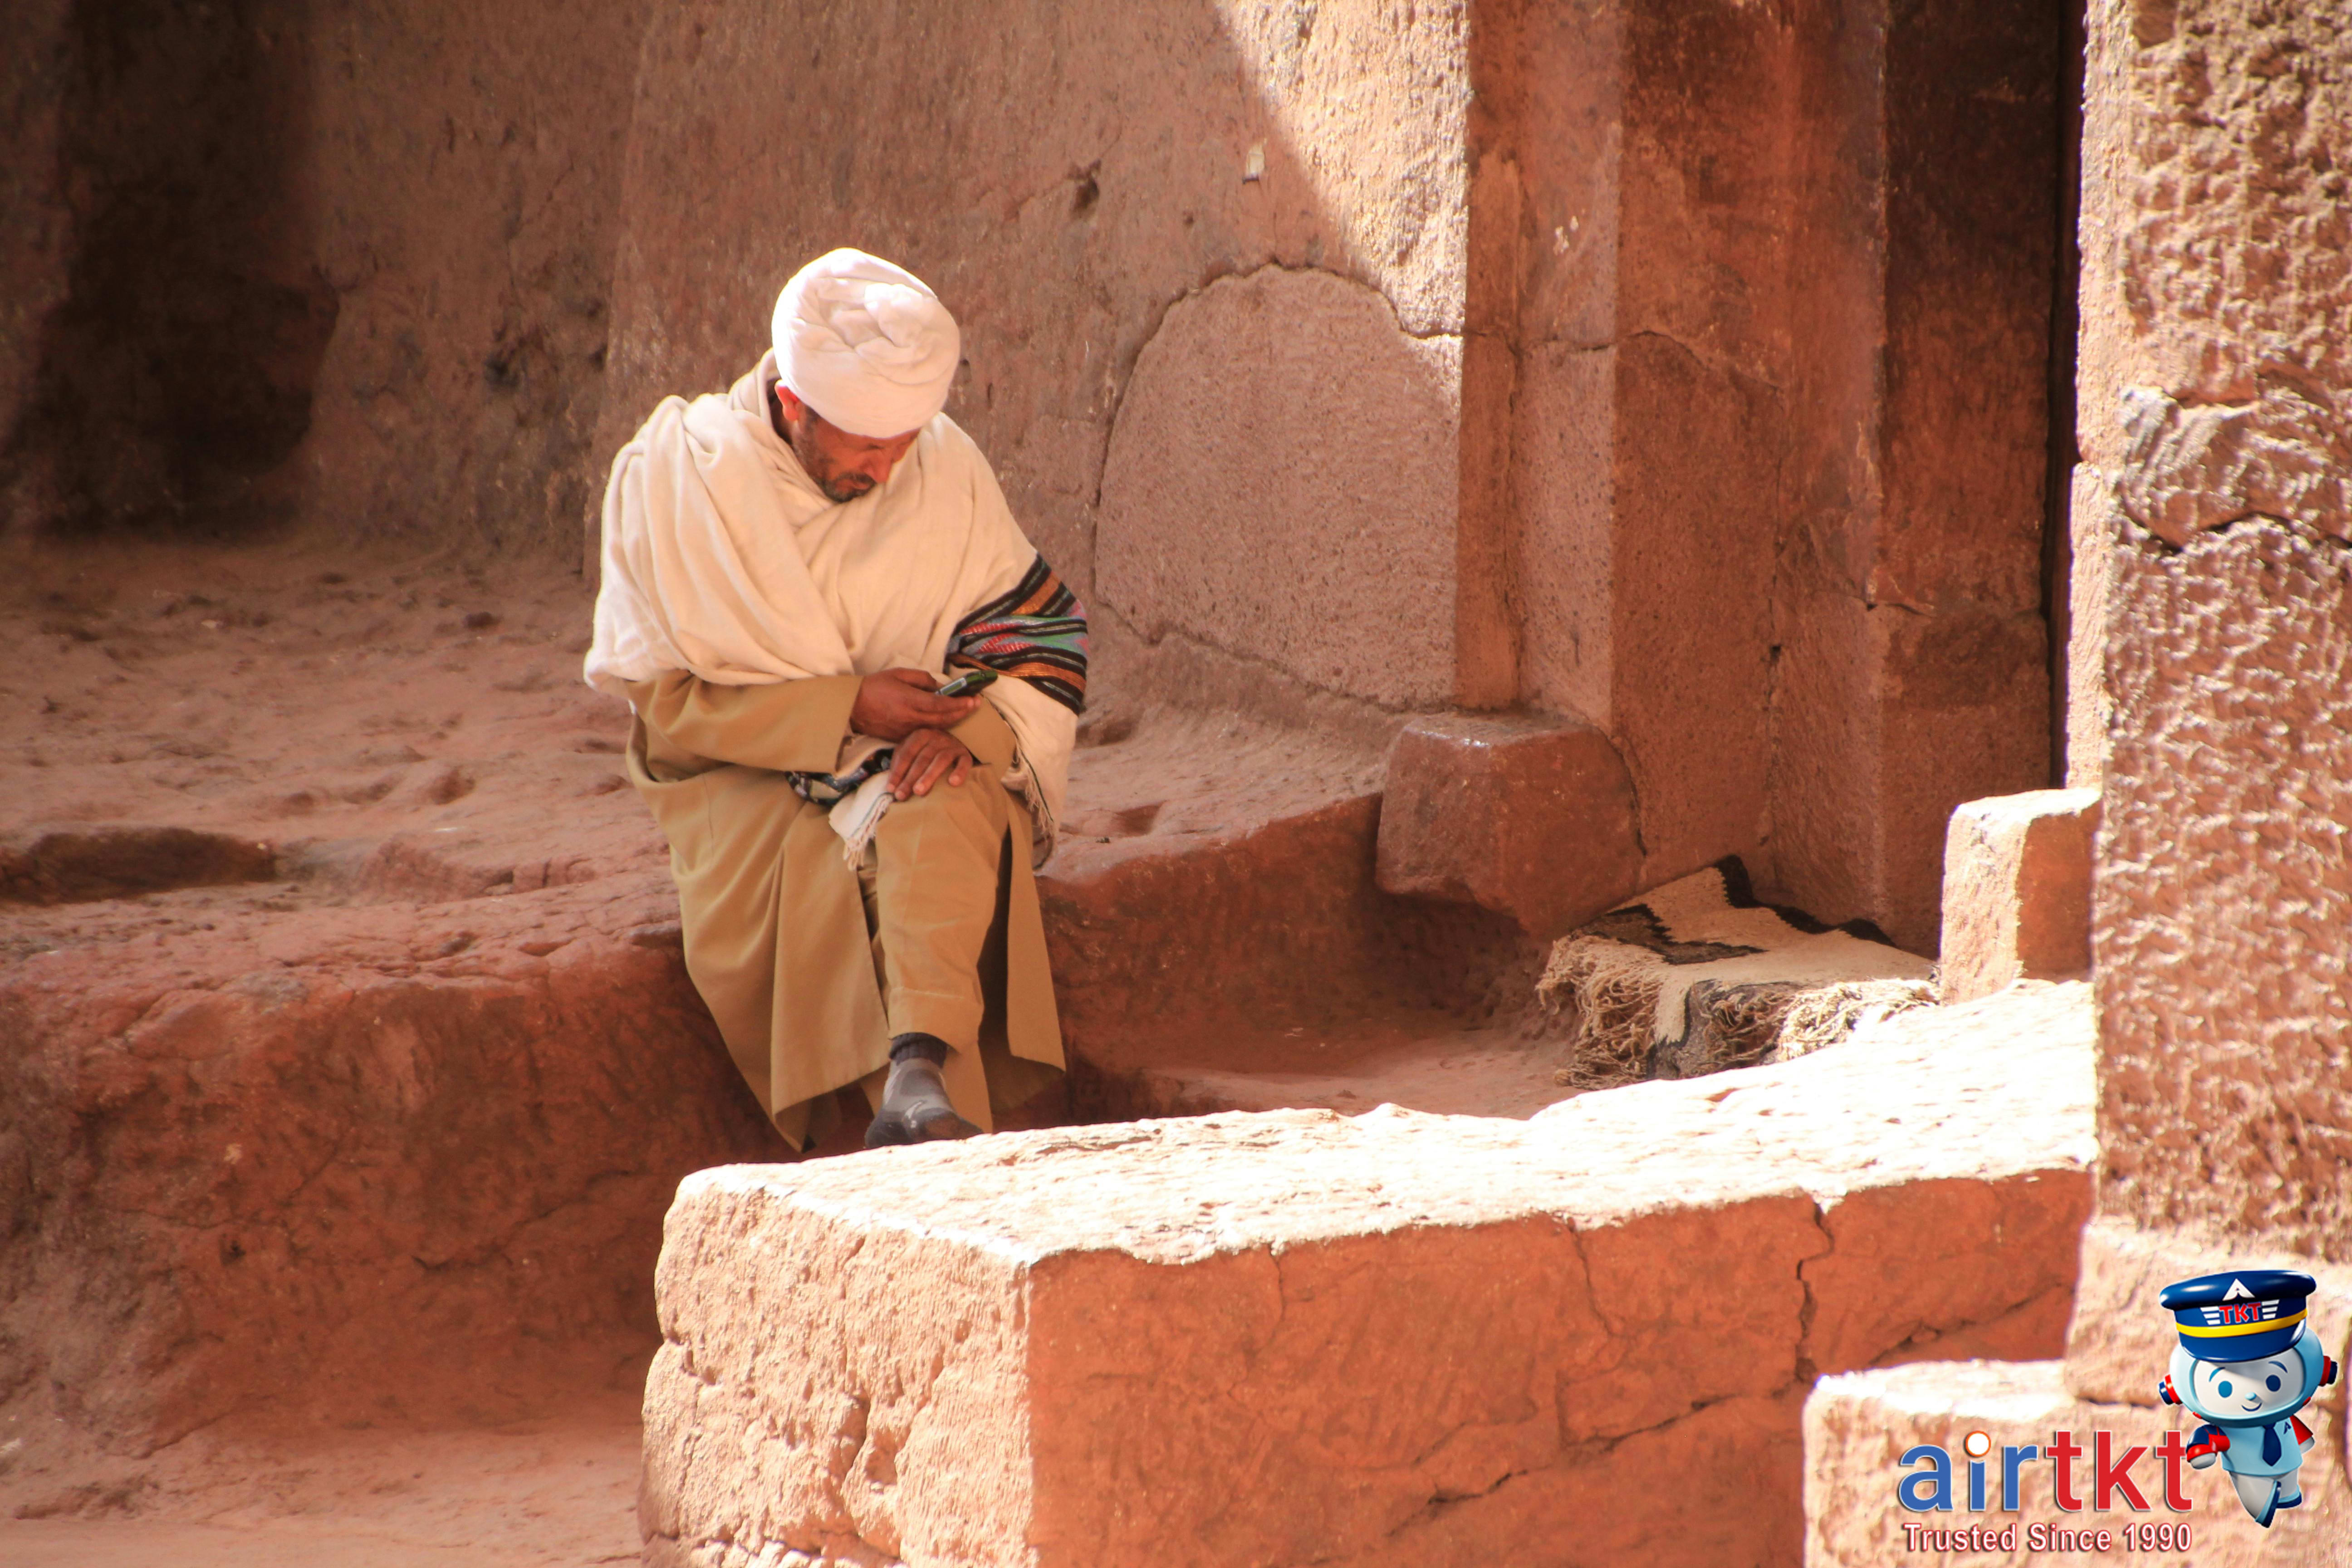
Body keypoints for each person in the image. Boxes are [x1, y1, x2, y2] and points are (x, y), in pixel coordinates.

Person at [584, 248, 1085, 1150]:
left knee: (943, 801)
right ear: (791, 405)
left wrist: (972, 733)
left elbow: (1029, 631)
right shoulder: (678, 480)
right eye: (865, 447)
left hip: (910, 747)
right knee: (827, 883)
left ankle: (920, 1076)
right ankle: (904, 1136)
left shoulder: (943, 463)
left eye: (903, 444)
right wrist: (848, 709)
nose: (890, 471)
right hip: (741, 769)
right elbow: (669, 701)